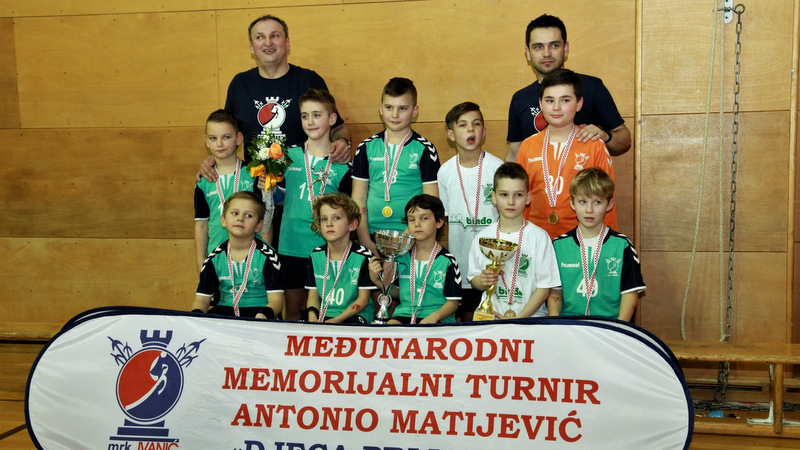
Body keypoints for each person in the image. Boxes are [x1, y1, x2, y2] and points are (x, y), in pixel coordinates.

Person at [197, 15, 353, 249]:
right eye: (260, 37)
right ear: (252, 47)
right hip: (256, 196)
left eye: (275, 36)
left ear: (287, 43)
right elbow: (226, 132)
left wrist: (342, 141)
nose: (268, 42)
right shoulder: (240, 84)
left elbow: (339, 126)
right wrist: (212, 159)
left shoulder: (308, 80)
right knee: (262, 265)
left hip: (300, 196)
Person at [506, 14, 631, 161]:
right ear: (528, 53)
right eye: (538, 47)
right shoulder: (520, 98)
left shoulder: (592, 87)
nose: (546, 53)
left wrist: (605, 135)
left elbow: (624, 139)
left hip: (583, 175)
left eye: (554, 45)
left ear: (565, 49)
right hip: (537, 176)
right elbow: (514, 153)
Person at [516, 68, 617, 240]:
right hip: (536, 241)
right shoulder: (528, 146)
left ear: (579, 103)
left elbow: (608, 200)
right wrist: (520, 239)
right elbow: (521, 198)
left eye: (565, 100)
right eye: (549, 100)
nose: (556, 107)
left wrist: (608, 243)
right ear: (540, 103)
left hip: (579, 242)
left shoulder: (594, 146)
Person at [278, 89, 352, 321]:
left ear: (332, 118)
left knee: (322, 310)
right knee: (293, 308)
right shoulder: (285, 157)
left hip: (326, 247)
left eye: (317, 115)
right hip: (291, 244)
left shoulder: (343, 165)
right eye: (305, 116)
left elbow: (348, 211)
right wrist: (267, 189)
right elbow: (279, 199)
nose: (310, 121)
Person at [352, 77, 440, 256]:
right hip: (371, 236)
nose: (394, 115)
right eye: (389, 107)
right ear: (380, 108)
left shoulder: (425, 149)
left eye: (402, 108)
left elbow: (431, 202)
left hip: (412, 237)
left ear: (415, 111)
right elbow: (358, 198)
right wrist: (365, 241)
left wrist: (404, 241)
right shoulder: (366, 147)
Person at [437, 102, 504, 321]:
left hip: (494, 265)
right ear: (450, 134)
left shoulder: (498, 168)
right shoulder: (445, 172)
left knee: (494, 317)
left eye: (476, 124)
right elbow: (444, 218)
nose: (470, 130)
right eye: (463, 125)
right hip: (462, 261)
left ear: (484, 131)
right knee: (467, 321)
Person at [467, 163, 560, 319]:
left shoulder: (539, 237)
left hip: (530, 319)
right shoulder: (483, 238)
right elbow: (474, 278)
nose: (511, 201)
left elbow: (544, 288)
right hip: (492, 317)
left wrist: (519, 319)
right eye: (504, 195)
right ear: (493, 197)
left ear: (528, 197)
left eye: (518, 195)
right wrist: (482, 280)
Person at [550, 168, 645, 320]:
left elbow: (630, 293)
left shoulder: (622, 246)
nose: (589, 210)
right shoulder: (558, 246)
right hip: (569, 326)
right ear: (572, 203)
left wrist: (619, 328)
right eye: (583, 202)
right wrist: (556, 324)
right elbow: (555, 292)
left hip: (609, 326)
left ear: (610, 204)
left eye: (597, 202)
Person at [368, 195, 460, 324]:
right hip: (405, 313)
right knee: (389, 328)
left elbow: (453, 303)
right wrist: (377, 280)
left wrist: (434, 317)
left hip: (436, 317)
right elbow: (396, 293)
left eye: (424, 218)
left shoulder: (447, 261)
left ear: (439, 222)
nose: (417, 224)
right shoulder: (401, 257)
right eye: (411, 219)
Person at [192, 191, 285, 319]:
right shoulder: (214, 258)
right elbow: (202, 299)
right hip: (226, 310)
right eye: (235, 213)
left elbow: (277, 301)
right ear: (223, 220)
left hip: (261, 312)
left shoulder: (269, 256)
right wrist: (195, 318)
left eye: (248, 215)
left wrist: (263, 316)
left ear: (259, 225)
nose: (240, 218)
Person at [194, 109, 261, 273]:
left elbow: (265, 222)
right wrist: (201, 266)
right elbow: (201, 225)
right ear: (206, 141)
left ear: (238, 138)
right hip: (216, 261)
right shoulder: (203, 182)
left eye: (226, 137)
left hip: (252, 260)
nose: (219, 144)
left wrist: (264, 260)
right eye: (213, 138)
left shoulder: (253, 175)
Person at [305, 193, 375, 324]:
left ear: (352, 224)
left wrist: (336, 320)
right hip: (325, 314)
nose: (329, 224)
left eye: (336, 218)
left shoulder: (363, 256)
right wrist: (312, 319)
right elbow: (313, 296)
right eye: (324, 219)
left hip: (355, 314)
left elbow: (363, 300)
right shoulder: (315, 255)